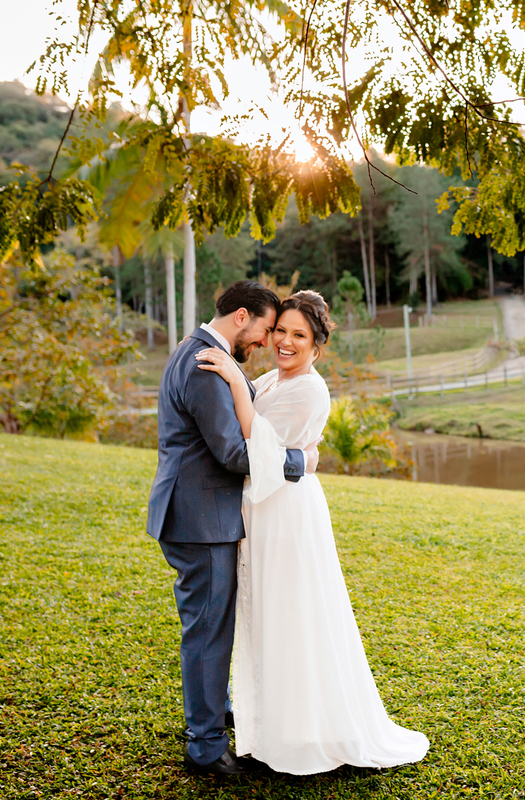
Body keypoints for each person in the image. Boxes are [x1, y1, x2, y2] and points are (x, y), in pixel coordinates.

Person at [195, 290, 428, 775]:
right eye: (279, 330)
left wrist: (236, 387)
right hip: (265, 514)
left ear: (317, 346)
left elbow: (253, 444)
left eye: (298, 335)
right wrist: (238, 375)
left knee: (291, 616)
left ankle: (299, 740)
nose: (283, 341)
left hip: (287, 516)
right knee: (269, 619)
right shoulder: (276, 380)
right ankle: (272, 730)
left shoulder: (308, 389)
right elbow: (260, 427)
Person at [147, 281, 317, 777]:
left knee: (211, 626)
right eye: (266, 329)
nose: (266, 341)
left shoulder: (199, 351)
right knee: (206, 632)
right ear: (242, 316)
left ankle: (216, 714)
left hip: (200, 513)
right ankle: (204, 745)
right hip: (199, 518)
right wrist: (299, 461)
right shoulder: (203, 363)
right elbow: (231, 452)